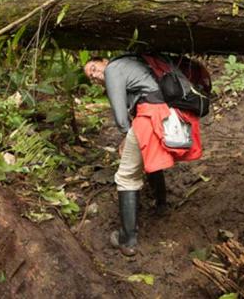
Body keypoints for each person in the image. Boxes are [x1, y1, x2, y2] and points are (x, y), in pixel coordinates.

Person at [84, 55, 202, 256]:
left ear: (104, 60)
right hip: (164, 114)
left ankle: (127, 239)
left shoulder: (113, 69)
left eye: (93, 68)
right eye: (90, 77)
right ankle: (161, 204)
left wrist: (125, 137)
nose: (94, 75)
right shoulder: (131, 62)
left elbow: (121, 118)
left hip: (149, 117)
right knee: (149, 161)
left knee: (126, 176)